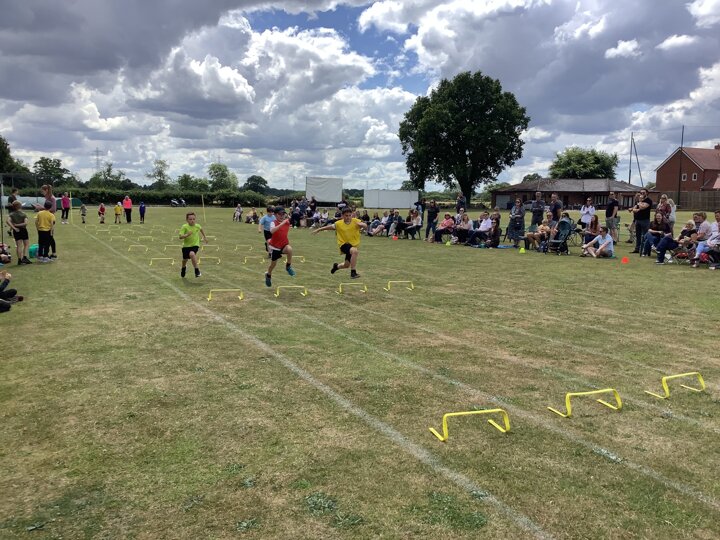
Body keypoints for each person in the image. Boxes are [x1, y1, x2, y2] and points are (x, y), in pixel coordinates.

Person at [313, 206, 367, 279]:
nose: (348, 217)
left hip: (353, 245)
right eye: (346, 215)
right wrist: (319, 229)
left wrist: (363, 225)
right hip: (343, 244)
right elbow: (329, 227)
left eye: (349, 215)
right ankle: (353, 273)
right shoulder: (338, 224)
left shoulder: (355, 221)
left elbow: (365, 226)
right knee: (355, 251)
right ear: (342, 216)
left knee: (346, 265)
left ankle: (336, 267)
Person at [265, 207, 296, 287]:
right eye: (280, 214)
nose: (282, 216)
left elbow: (293, 220)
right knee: (273, 265)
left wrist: (289, 217)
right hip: (275, 247)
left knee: (290, 249)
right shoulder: (273, 223)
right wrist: (282, 223)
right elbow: (272, 231)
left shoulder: (287, 222)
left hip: (284, 244)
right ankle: (268, 275)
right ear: (275, 215)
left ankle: (288, 266)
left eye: (283, 214)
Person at [178, 212, 207, 278]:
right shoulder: (184, 227)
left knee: (192, 254)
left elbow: (201, 229)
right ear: (187, 220)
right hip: (186, 246)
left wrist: (204, 237)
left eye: (194, 219)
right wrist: (187, 235)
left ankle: (197, 270)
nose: (192, 220)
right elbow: (180, 237)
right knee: (184, 260)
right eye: (190, 219)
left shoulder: (197, 226)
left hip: (195, 245)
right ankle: (183, 268)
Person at [629, 188, 652, 254]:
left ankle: (645, 250)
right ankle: (637, 249)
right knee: (638, 235)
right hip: (637, 220)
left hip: (645, 220)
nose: (642, 194)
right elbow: (634, 209)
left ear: (647, 193)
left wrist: (639, 203)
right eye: (641, 192)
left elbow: (642, 208)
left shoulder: (648, 200)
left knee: (645, 235)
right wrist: (636, 208)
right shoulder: (639, 201)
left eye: (643, 192)